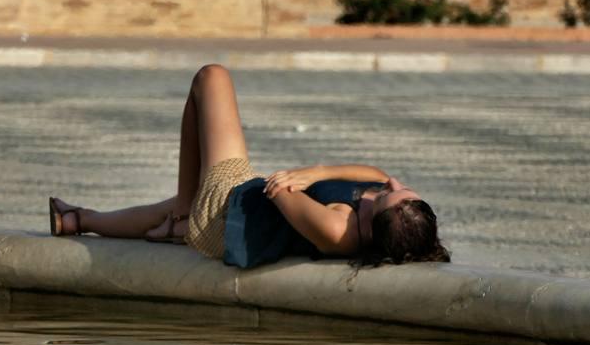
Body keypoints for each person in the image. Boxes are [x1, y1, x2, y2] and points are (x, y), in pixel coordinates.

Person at [49, 64, 450, 269]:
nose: (392, 182)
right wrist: (319, 172)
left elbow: (277, 191)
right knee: (161, 213)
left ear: (374, 222)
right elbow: (375, 172)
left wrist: (299, 182)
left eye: (393, 193)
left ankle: (186, 213)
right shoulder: (370, 218)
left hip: (226, 215)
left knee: (211, 77)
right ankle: (78, 220)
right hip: (237, 211)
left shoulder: (337, 228)